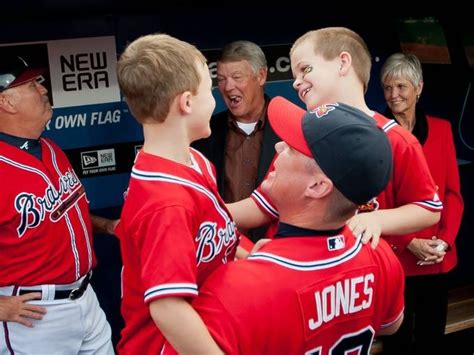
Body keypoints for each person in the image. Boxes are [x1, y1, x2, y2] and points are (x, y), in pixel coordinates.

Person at [164, 96, 405, 354]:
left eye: (291, 148)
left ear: (317, 186)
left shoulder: (237, 289)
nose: (278, 147)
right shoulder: (381, 258)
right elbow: (390, 326)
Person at [229, 27, 442, 249]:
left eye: (305, 69)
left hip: (354, 268)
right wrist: (209, 211)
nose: (296, 82)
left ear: (343, 63)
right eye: (294, 76)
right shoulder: (301, 131)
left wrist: (376, 219)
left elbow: (428, 208)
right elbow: (264, 205)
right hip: (294, 262)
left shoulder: (397, 139)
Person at [116, 33, 239, 354]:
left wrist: (255, 257)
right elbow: (168, 308)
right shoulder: (165, 201)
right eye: (209, 90)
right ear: (186, 102)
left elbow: (212, 231)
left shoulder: (194, 160)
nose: (215, 98)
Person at [0, 55, 114, 353]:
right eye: (31, 84)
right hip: (32, 317)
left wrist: (108, 226)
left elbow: (61, 215)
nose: (43, 89)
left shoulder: (50, 147)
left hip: (86, 299)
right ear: (6, 102)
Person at [380, 53, 464, 355]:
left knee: (432, 342)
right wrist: (407, 241)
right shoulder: (375, 134)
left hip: (436, 259)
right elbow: (370, 206)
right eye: (388, 88)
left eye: (401, 86)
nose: (394, 95)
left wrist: (444, 241)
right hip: (396, 261)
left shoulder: (441, 129)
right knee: (398, 345)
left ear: (419, 88)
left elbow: (453, 194)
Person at [193, 40, 279, 241]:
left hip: (278, 253)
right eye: (221, 78)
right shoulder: (203, 133)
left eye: (236, 77)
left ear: (261, 76)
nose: (228, 86)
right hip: (223, 252)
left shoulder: (291, 128)